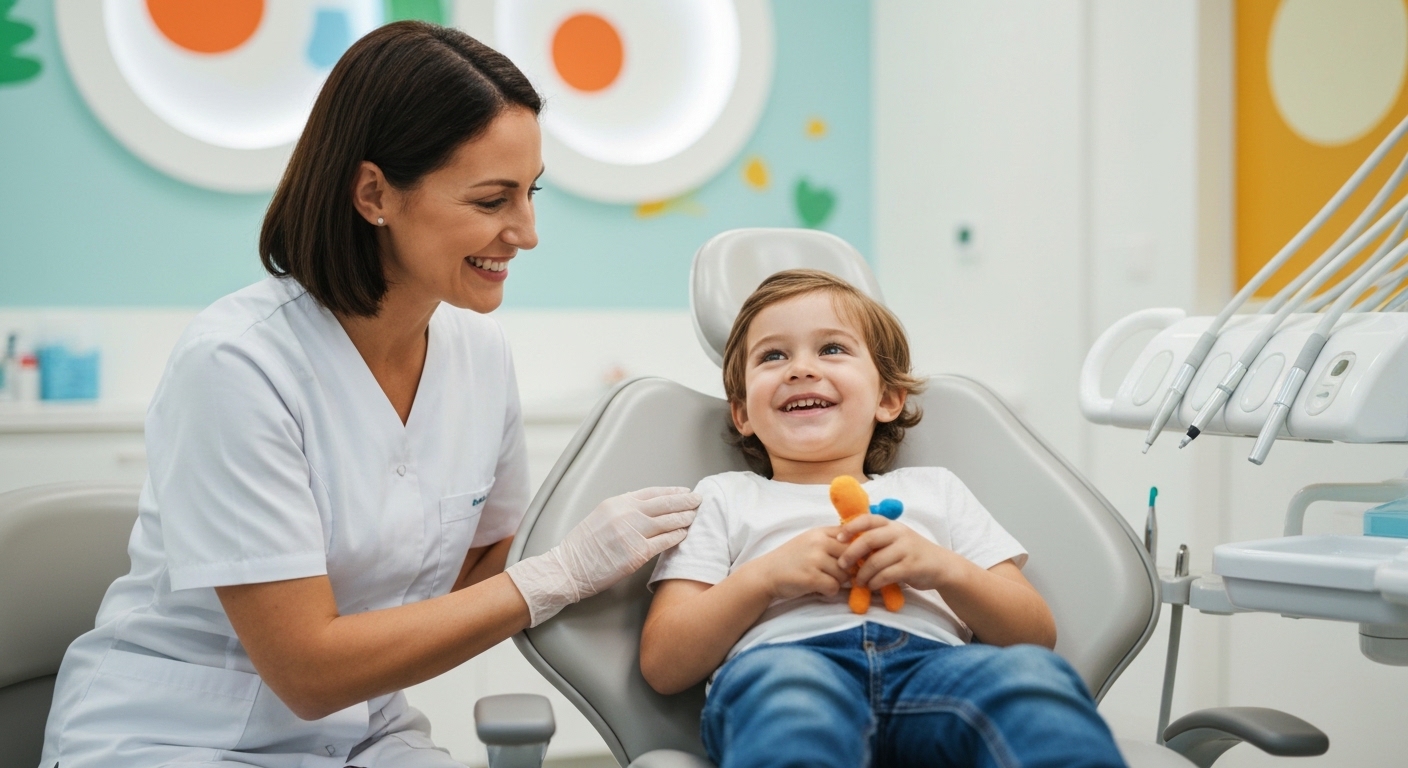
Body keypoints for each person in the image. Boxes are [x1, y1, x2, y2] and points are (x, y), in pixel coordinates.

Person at [40, 22, 699, 768]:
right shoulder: (238, 365)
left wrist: (680, 545)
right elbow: (309, 670)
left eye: (531, 192)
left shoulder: (479, 356)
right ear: (374, 193)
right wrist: (554, 574)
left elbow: (484, 567)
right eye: (492, 200)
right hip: (177, 740)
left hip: (365, 735)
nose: (527, 232)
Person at [640, 269, 1127, 768]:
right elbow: (664, 663)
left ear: (887, 399)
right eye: (773, 355)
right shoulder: (723, 497)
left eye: (831, 349)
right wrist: (764, 579)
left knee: (1030, 680)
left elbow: (1035, 636)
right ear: (742, 413)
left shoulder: (935, 490)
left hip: (935, 673)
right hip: (788, 672)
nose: (800, 369)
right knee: (790, 699)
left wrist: (941, 568)